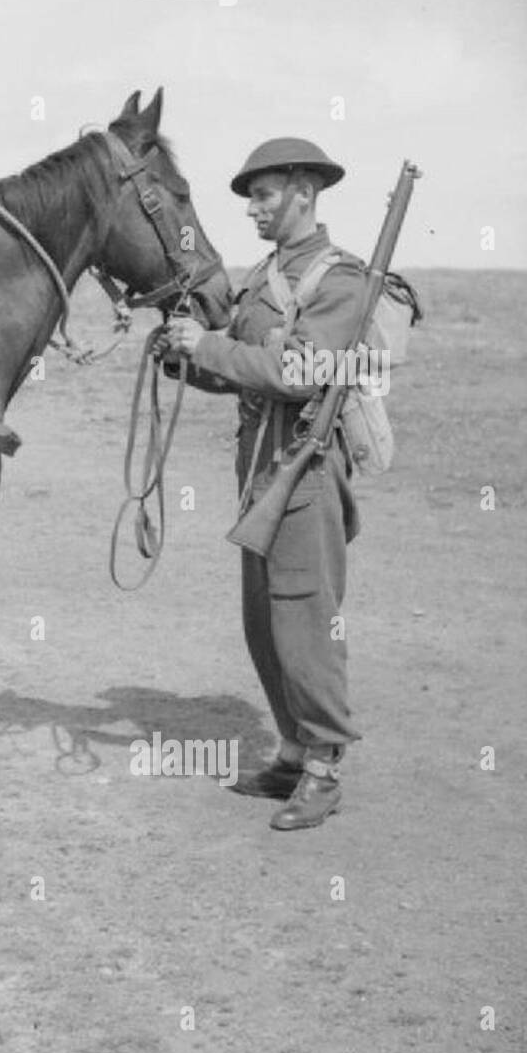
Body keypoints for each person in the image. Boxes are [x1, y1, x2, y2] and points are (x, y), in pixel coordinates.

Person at [158, 139, 365, 830]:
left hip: (305, 472)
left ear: (305, 191)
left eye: (265, 193)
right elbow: (236, 369)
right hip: (257, 471)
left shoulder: (340, 281)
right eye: (250, 195)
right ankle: (291, 750)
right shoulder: (260, 279)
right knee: (263, 625)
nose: (252, 206)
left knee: (305, 622)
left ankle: (325, 769)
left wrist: (208, 345)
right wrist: (184, 356)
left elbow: (300, 373)